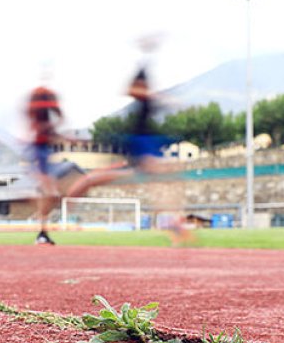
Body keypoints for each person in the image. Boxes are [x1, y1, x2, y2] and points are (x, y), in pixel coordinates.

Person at [65, 42, 192, 244]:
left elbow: (137, 87)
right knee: (160, 176)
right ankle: (171, 221)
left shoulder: (146, 96)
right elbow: (129, 89)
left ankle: (171, 220)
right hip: (140, 142)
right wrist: (159, 95)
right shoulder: (143, 94)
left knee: (165, 178)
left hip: (146, 142)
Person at [26, 80, 63, 245]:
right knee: (49, 191)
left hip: (44, 151)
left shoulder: (42, 117)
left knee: (51, 193)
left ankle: (42, 231)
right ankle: (41, 231)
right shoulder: (37, 114)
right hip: (37, 150)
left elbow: (58, 118)